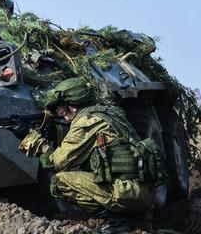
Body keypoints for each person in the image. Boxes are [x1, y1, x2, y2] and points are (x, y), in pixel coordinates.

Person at [17, 77, 158, 234]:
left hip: (127, 192)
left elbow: (58, 162)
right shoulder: (109, 113)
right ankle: (129, 220)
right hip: (144, 193)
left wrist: (32, 138)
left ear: (74, 105)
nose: (60, 114)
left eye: (62, 108)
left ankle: (116, 221)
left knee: (60, 182)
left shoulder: (86, 121)